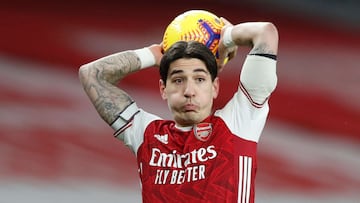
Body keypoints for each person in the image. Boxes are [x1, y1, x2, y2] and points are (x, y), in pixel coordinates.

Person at [79, 15, 278, 203]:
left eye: (200, 79)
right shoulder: (146, 135)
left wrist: (226, 36)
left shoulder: (239, 122)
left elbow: (265, 34)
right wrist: (156, 53)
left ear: (214, 87)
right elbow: (91, 75)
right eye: (178, 80)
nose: (189, 91)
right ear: (163, 89)